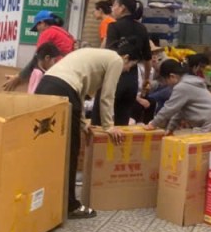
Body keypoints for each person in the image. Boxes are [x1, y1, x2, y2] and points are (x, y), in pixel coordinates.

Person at [35, 39, 142, 219]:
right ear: (126, 57)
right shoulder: (116, 60)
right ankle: (71, 206)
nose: (126, 70)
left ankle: (43, 199)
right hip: (63, 90)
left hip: (46, 85)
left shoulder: (94, 55)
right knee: (70, 151)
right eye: (130, 66)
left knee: (48, 147)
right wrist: (109, 126)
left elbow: (80, 93)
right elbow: (107, 95)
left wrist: (83, 123)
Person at [144, 59, 211, 134]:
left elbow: (169, 108)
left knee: (201, 146)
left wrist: (153, 124)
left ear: (172, 76)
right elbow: (180, 110)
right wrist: (170, 128)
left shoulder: (182, 87)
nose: (167, 84)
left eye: (166, 81)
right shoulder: (189, 81)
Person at [104, 0, 152, 123]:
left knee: (101, 121)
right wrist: (146, 79)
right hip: (132, 81)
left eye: (114, 5)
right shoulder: (141, 28)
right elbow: (148, 59)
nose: (112, 9)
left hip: (115, 77)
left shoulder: (114, 26)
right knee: (122, 121)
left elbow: (109, 55)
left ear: (122, 8)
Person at [2, 10, 76, 91]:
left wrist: (18, 77)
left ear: (43, 23)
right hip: (69, 72)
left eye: (37, 26)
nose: (38, 31)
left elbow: (36, 60)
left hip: (60, 72)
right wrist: (19, 78)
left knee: (37, 73)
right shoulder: (61, 32)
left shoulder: (48, 33)